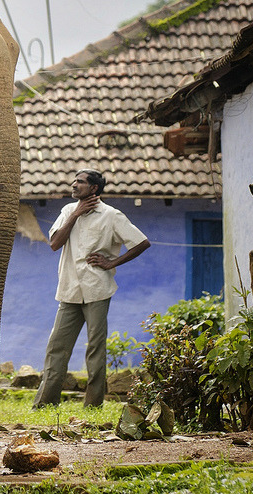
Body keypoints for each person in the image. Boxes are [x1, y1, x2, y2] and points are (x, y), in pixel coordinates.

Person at [33, 169, 151, 408]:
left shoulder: (111, 215)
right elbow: (55, 244)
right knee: (56, 347)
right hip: (69, 290)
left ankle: (93, 404)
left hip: (98, 289)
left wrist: (111, 263)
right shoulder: (68, 210)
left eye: (81, 182)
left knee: (96, 348)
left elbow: (142, 242)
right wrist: (76, 214)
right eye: (74, 179)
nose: (74, 184)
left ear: (94, 188)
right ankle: (44, 404)